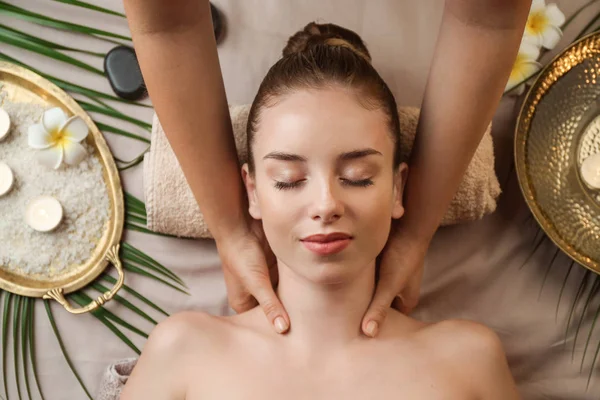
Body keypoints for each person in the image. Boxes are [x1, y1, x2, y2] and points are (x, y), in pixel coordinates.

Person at [121, 23, 520, 399]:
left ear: (398, 188)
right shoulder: (183, 350)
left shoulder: (469, 359)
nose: (326, 204)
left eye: (358, 176)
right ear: (253, 191)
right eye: (290, 179)